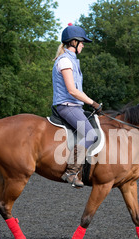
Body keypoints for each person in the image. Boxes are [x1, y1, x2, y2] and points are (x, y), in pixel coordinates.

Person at [52, 24, 102, 188]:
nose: (83, 45)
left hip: (75, 106)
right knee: (90, 134)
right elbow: (73, 90)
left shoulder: (72, 60)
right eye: (82, 42)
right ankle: (71, 172)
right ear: (73, 42)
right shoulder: (65, 61)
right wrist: (92, 102)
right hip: (67, 106)